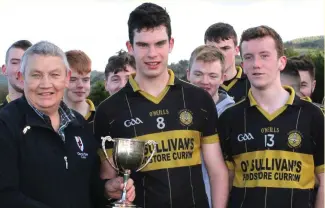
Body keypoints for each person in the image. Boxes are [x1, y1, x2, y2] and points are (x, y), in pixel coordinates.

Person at [94, 3, 228, 208]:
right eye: (143, 45)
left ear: (171, 44)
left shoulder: (199, 100)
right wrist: (110, 187)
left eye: (159, 43)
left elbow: (217, 170)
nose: (152, 54)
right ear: (130, 47)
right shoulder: (108, 111)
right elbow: (107, 179)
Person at [0, 41, 135, 208]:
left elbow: (87, 188)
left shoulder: (79, 125)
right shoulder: (5, 124)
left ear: (66, 78)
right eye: (36, 75)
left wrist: (106, 190)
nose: (46, 84)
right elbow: (5, 196)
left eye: (55, 75)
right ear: (21, 78)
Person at [219, 25, 324, 208]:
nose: (256, 64)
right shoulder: (230, 118)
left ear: (281, 62)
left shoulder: (312, 115)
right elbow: (225, 181)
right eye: (249, 57)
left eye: (264, 56)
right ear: (242, 66)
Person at [187, 44, 234, 207]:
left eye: (212, 76)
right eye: (198, 74)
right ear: (188, 75)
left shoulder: (235, 116)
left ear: (223, 78)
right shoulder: (172, 113)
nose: (205, 82)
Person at [204, 22, 250, 102]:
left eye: (225, 48)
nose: (219, 54)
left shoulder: (252, 83)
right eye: (212, 49)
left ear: (236, 50)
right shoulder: (199, 85)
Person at [64, 50, 95, 129]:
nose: (80, 85)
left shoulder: (102, 117)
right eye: (73, 79)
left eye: (85, 80)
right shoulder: (49, 118)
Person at [1, 40, 32, 108]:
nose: (22, 70)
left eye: (28, 63)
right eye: (15, 63)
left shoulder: (56, 112)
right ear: (4, 70)